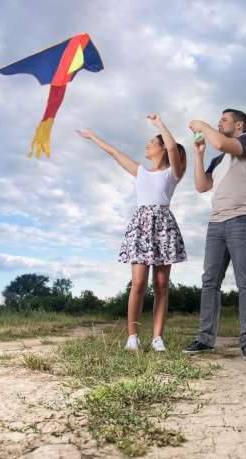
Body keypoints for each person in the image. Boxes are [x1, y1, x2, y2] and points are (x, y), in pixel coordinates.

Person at [75, 113, 187, 352]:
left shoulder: (172, 173)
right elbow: (115, 153)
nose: (148, 145)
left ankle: (157, 338)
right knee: (137, 283)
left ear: (162, 149)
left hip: (163, 228)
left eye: (152, 143)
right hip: (141, 226)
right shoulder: (140, 172)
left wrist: (160, 124)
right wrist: (94, 137)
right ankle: (132, 337)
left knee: (161, 285)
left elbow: (173, 148)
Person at [184, 109, 246, 361]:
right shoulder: (218, 160)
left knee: (245, 283)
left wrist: (201, 124)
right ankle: (205, 339)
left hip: (242, 219)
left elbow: (218, 140)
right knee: (210, 283)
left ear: (239, 125)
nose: (219, 123)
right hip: (216, 224)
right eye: (218, 120)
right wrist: (199, 155)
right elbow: (201, 186)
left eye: (224, 119)